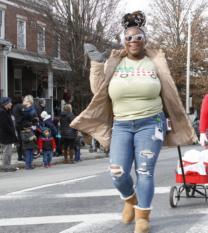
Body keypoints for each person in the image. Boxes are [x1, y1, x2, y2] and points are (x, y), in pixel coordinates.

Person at [71, 11, 197, 233]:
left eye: (138, 37)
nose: (133, 41)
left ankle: (143, 216)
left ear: (144, 40)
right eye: (128, 38)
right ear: (123, 42)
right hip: (121, 125)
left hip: (151, 123)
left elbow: (168, 91)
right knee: (117, 172)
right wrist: (96, 63)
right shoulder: (115, 62)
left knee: (145, 171)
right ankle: (130, 200)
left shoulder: (155, 62)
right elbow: (97, 90)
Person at [0, 97, 18, 172]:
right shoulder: (3, 112)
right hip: (6, 135)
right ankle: (6, 167)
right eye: (10, 102)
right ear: (5, 104)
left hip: (6, 135)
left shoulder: (5, 111)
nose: (11, 104)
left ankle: (7, 166)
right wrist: (12, 133)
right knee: (7, 152)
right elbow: (5, 125)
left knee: (8, 152)